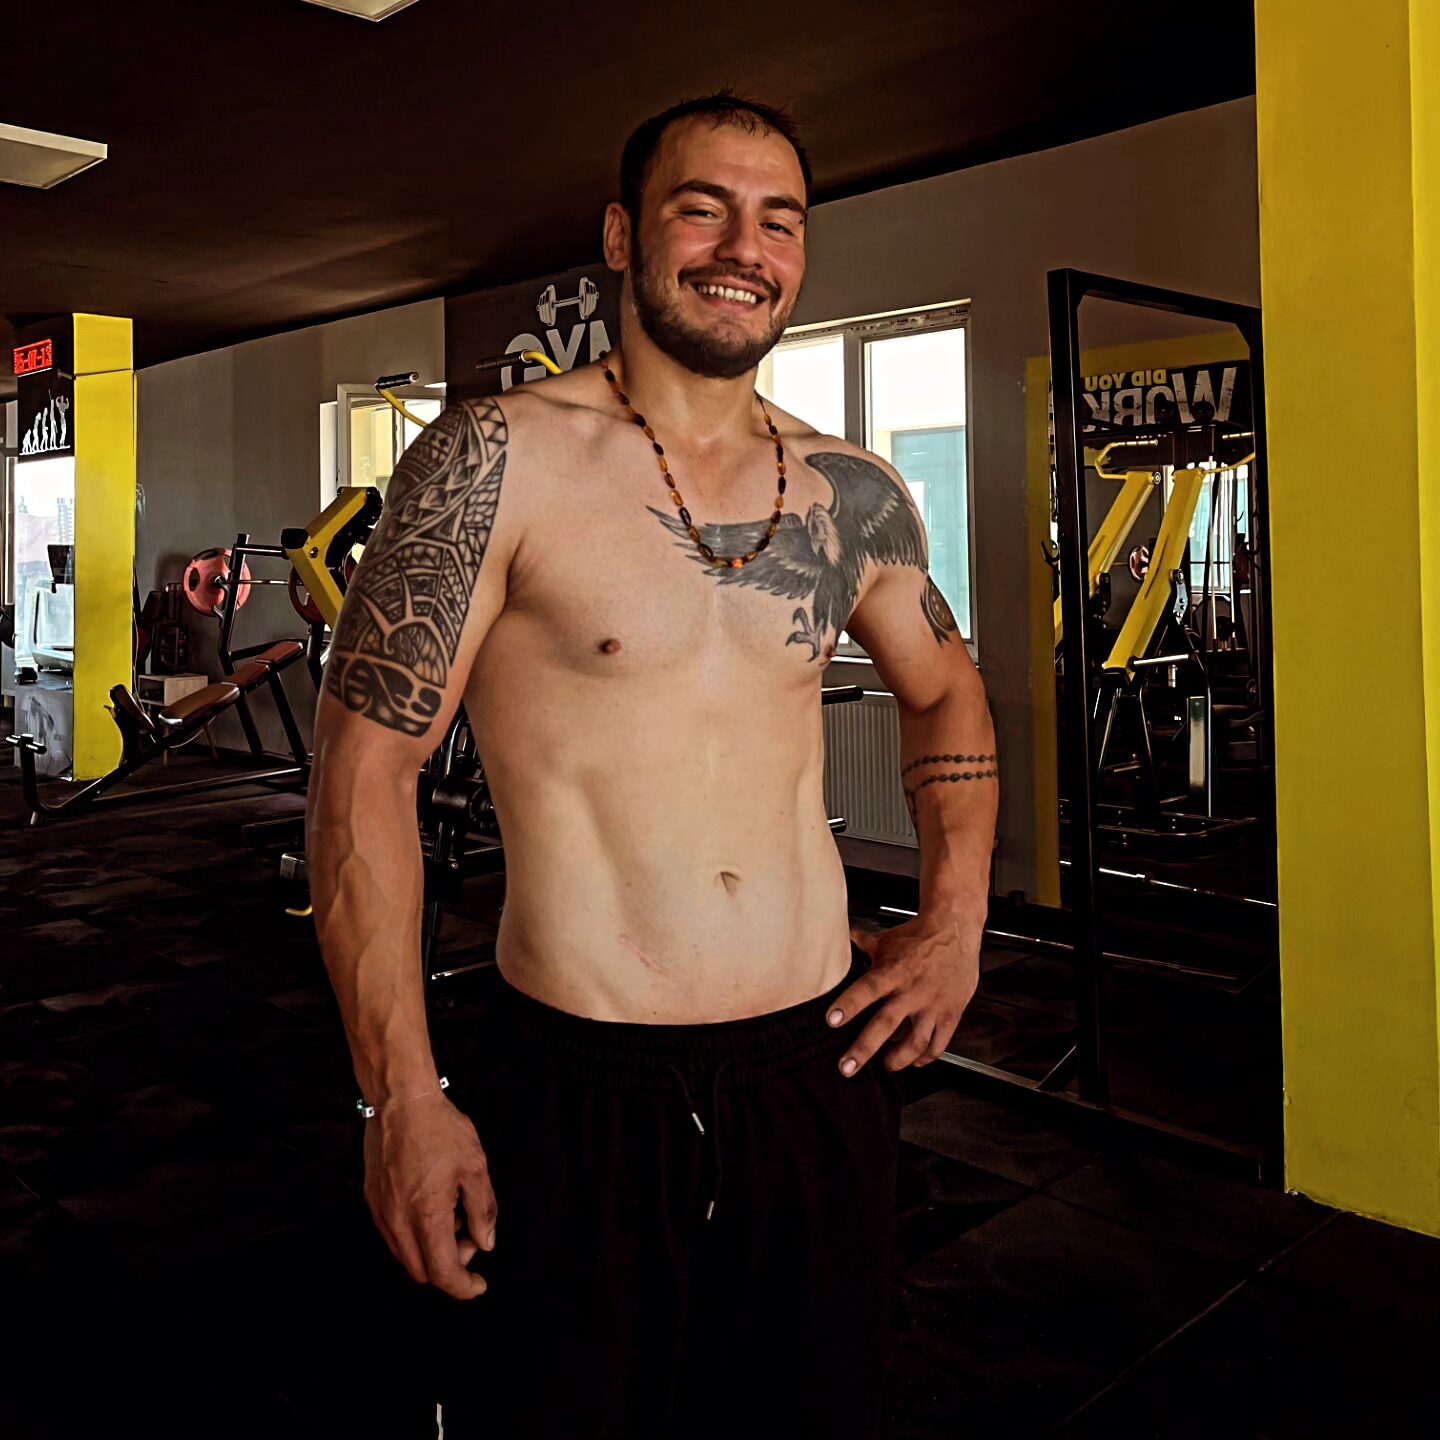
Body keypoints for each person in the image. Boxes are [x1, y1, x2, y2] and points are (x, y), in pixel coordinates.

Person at [307, 91, 998, 1440]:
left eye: (779, 220)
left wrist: (958, 921)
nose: (744, 247)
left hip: (816, 1072)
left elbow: (947, 689)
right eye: (704, 208)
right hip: (581, 1091)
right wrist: (400, 1096)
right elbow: (360, 781)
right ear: (624, 236)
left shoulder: (850, 492)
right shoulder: (494, 460)